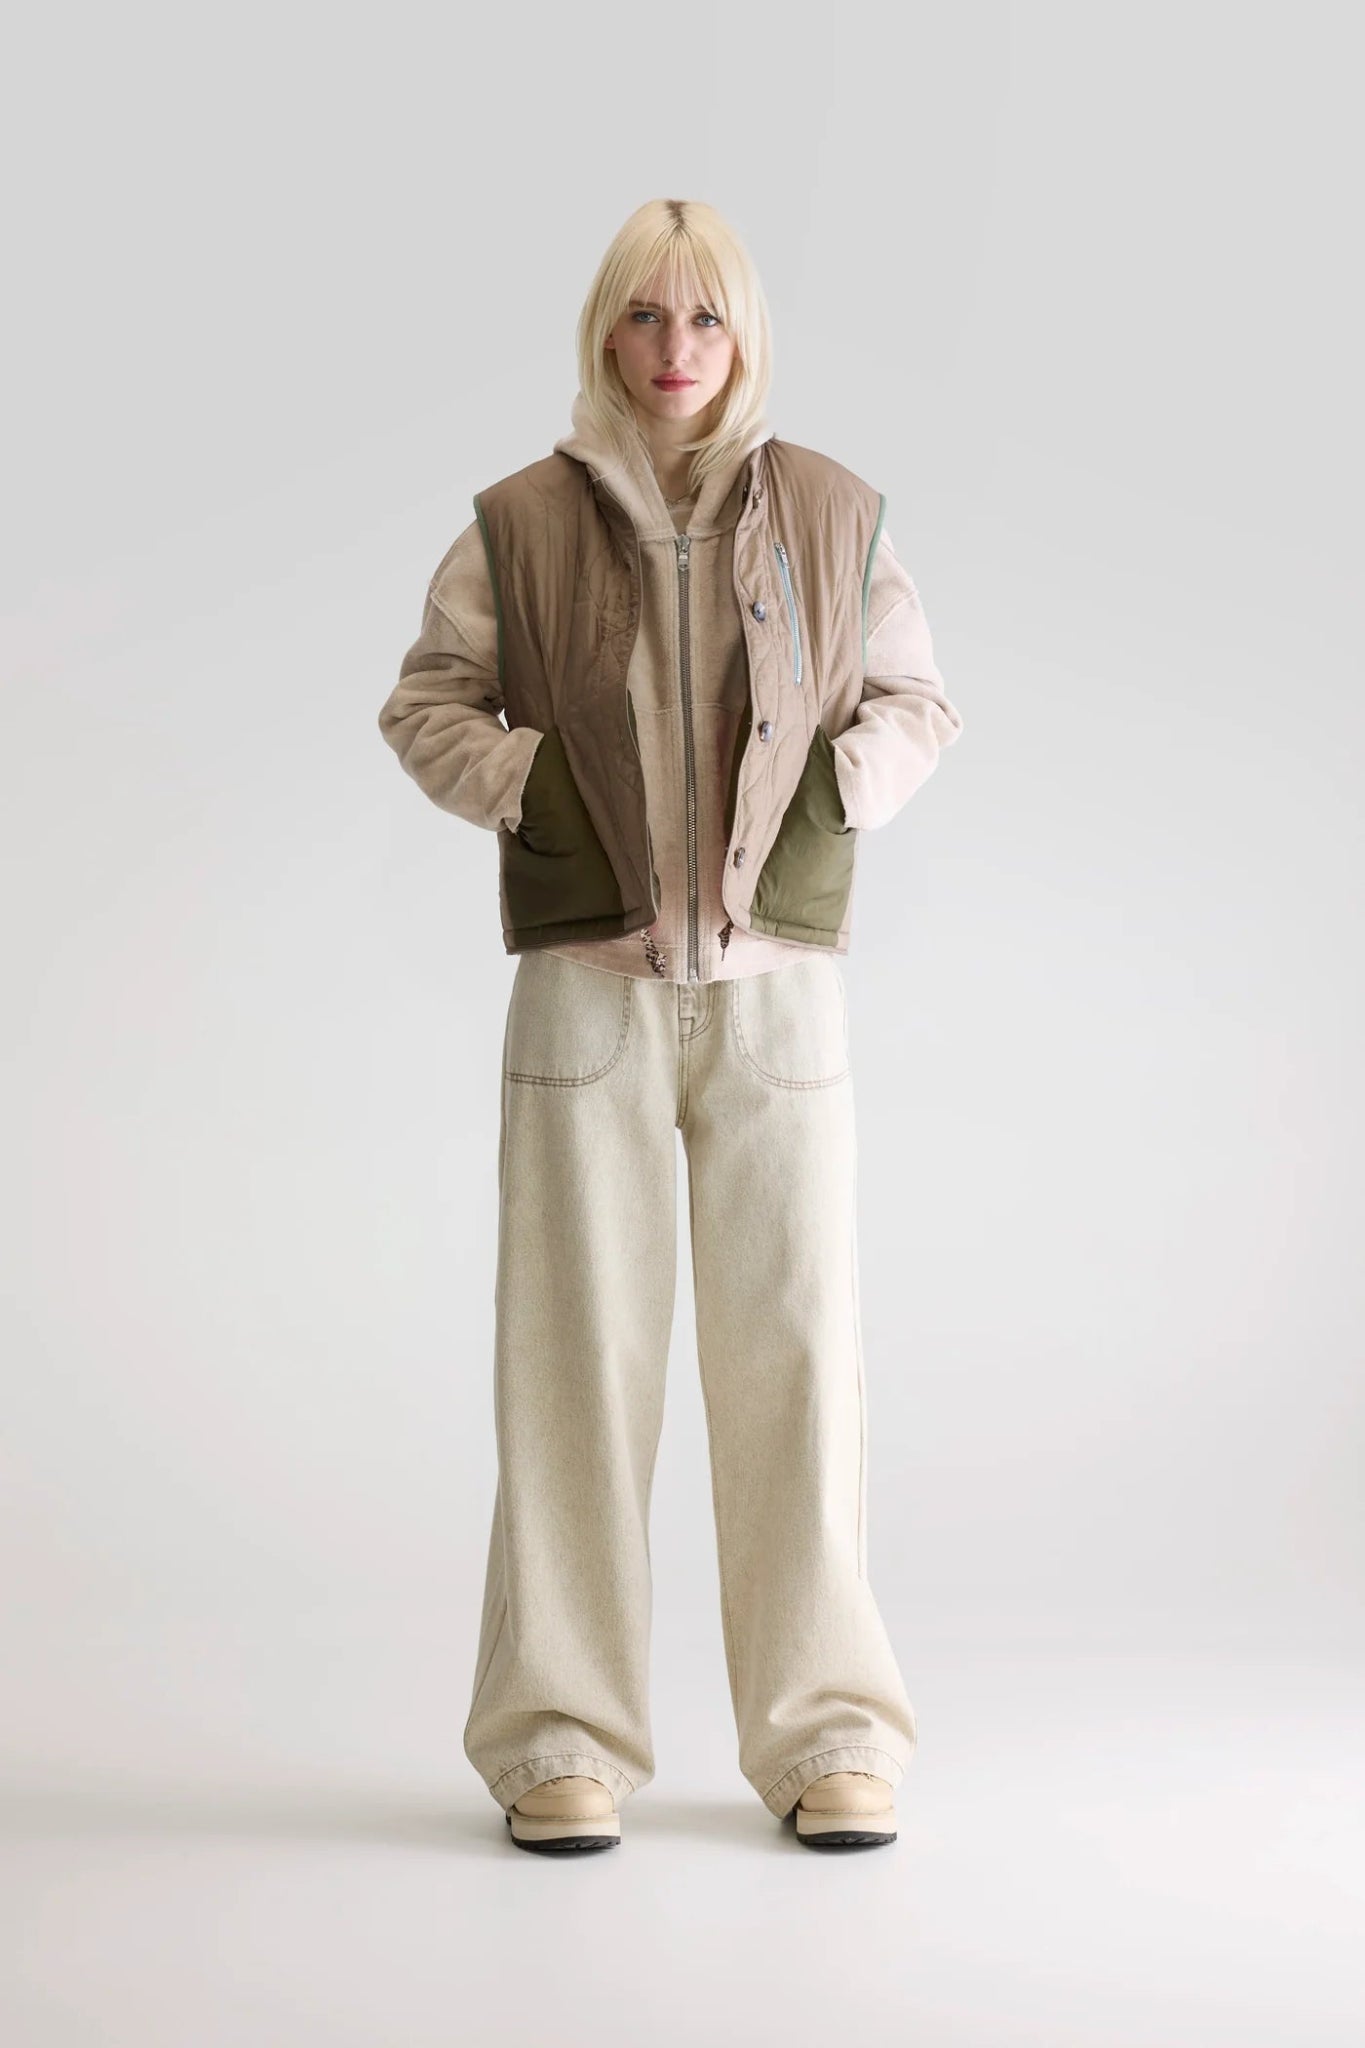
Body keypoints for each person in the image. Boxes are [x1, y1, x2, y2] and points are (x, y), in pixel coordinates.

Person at [378, 197, 964, 1854]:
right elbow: (427, 700)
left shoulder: (834, 512)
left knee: (799, 1368)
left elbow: (916, 701)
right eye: (643, 316)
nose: (673, 349)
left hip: (779, 1006)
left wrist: (833, 796)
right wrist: (529, 784)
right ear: (604, 333)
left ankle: (829, 1736)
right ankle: (558, 1741)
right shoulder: (518, 520)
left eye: (703, 318)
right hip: (588, 997)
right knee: (570, 1368)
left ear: (743, 335)